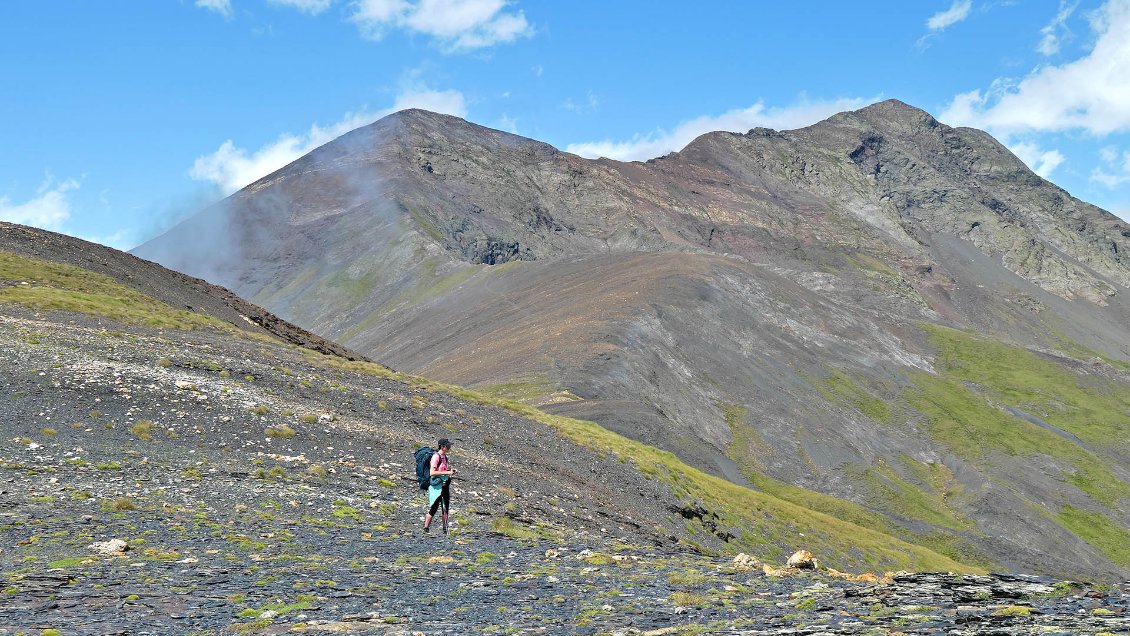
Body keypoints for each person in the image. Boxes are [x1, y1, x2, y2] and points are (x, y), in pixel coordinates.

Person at [424, 438, 457, 533]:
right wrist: (447, 472)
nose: (449, 448)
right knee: (434, 507)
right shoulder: (436, 457)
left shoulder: (444, 457)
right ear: (442, 447)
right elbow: (432, 472)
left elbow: (443, 470)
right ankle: (426, 528)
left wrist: (450, 471)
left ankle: (445, 529)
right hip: (436, 487)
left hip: (445, 485)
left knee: (445, 507)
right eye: (448, 446)